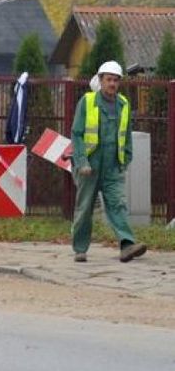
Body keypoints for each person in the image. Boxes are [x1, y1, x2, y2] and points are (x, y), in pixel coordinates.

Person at [69, 60, 147, 263]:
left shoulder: (123, 104)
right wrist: (82, 161)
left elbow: (126, 133)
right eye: (109, 79)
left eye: (115, 80)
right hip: (90, 165)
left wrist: (126, 158)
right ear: (101, 80)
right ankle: (80, 248)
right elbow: (77, 134)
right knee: (85, 207)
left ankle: (127, 245)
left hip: (113, 166)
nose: (112, 84)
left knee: (117, 204)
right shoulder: (87, 102)